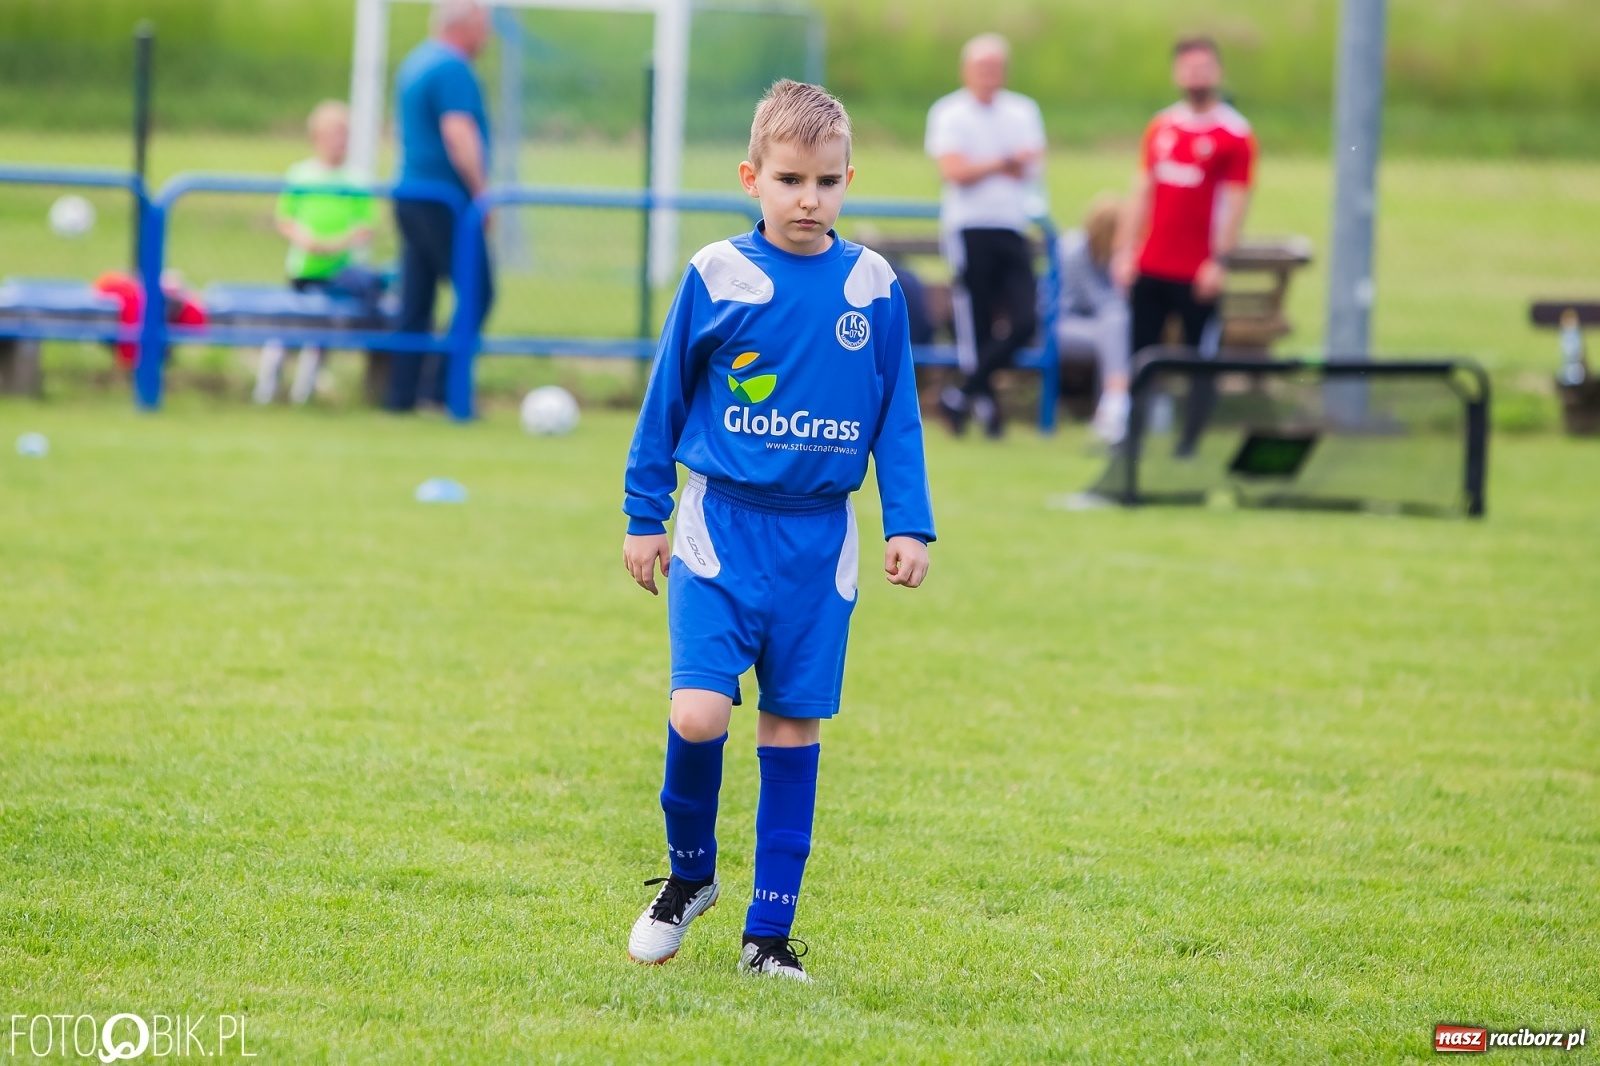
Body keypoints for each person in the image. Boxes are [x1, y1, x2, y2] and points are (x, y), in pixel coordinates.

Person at [620, 80, 934, 982]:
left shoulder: (872, 286)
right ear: (752, 177)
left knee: (792, 730)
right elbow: (664, 403)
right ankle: (689, 878)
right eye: (790, 179)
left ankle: (768, 939)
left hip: (818, 542)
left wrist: (907, 525)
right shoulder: (716, 274)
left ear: (848, 182)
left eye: (828, 182)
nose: (810, 199)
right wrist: (646, 516)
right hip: (720, 530)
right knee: (699, 710)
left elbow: (897, 418)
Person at [1111, 36, 1255, 455]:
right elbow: (1142, 191)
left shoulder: (1234, 134)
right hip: (1152, 263)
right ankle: (1131, 439)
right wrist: (1125, 251)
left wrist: (1219, 260)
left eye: (1204, 67)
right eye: (1189, 68)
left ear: (1218, 72)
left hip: (1197, 269)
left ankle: (1189, 442)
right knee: (1141, 354)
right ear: (1178, 73)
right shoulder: (1162, 127)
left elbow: (1236, 202)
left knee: (1198, 358)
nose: (1196, 76)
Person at [924, 33, 1046, 438]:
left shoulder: (1023, 111)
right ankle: (986, 409)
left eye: (995, 67)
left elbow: (1031, 166)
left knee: (1025, 319)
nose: (989, 75)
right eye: (981, 67)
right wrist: (1003, 162)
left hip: (1012, 224)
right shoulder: (950, 112)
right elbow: (954, 171)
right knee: (974, 322)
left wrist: (986, 166)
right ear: (966, 71)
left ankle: (960, 394)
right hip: (968, 226)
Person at [386, 0, 493, 413]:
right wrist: (482, 195)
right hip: (444, 201)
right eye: (483, 24)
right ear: (463, 25)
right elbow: (458, 135)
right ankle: (444, 391)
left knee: (417, 296)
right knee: (478, 289)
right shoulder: (453, 68)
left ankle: (401, 396)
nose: (487, 35)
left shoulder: (416, 61)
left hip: (412, 193)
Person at [254, 100, 377, 406]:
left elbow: (367, 225)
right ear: (316, 138)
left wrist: (340, 242)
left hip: (339, 271)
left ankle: (303, 393)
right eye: (332, 135)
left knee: (321, 334)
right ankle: (268, 386)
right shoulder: (302, 175)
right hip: (304, 268)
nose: (338, 143)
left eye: (344, 135)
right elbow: (285, 218)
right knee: (289, 326)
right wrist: (306, 239)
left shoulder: (357, 180)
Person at [1056, 195, 1130, 444]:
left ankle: (1112, 409)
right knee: (1115, 325)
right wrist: (1122, 280)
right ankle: (1116, 408)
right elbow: (1098, 302)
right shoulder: (1075, 251)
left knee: (1115, 328)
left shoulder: (1106, 256)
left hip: (1096, 327)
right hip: (1058, 327)